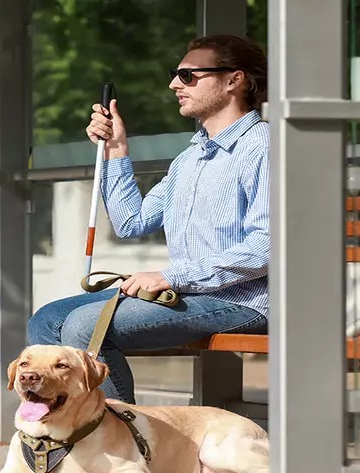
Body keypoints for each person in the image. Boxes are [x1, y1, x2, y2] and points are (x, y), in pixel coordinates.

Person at [27, 34, 270, 404]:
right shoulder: (190, 158)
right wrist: (116, 150)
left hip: (244, 302)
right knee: (46, 320)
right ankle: (69, 426)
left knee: (85, 325)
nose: (175, 84)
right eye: (176, 74)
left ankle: (117, 442)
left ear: (233, 80)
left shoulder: (263, 148)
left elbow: (266, 247)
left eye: (188, 75)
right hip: (192, 294)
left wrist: (170, 276)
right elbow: (131, 222)